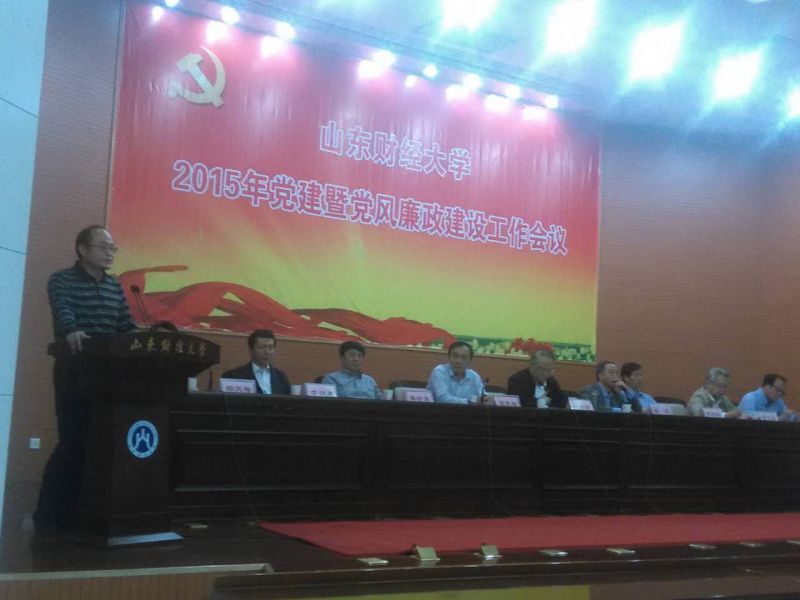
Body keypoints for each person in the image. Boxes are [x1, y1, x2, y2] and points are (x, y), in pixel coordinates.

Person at [34, 225, 137, 532]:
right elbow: (63, 311)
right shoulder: (62, 280)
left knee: (101, 444)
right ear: (82, 249)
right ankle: (49, 516)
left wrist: (144, 341)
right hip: (76, 371)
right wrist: (71, 330)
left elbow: (125, 325)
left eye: (113, 248)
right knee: (74, 441)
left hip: (110, 376)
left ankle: (86, 512)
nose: (110, 253)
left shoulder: (115, 285)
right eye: (104, 247)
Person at [221, 329, 290, 395]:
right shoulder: (232, 376)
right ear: (251, 350)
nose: (267, 352)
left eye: (270, 348)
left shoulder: (281, 378)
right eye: (261, 347)